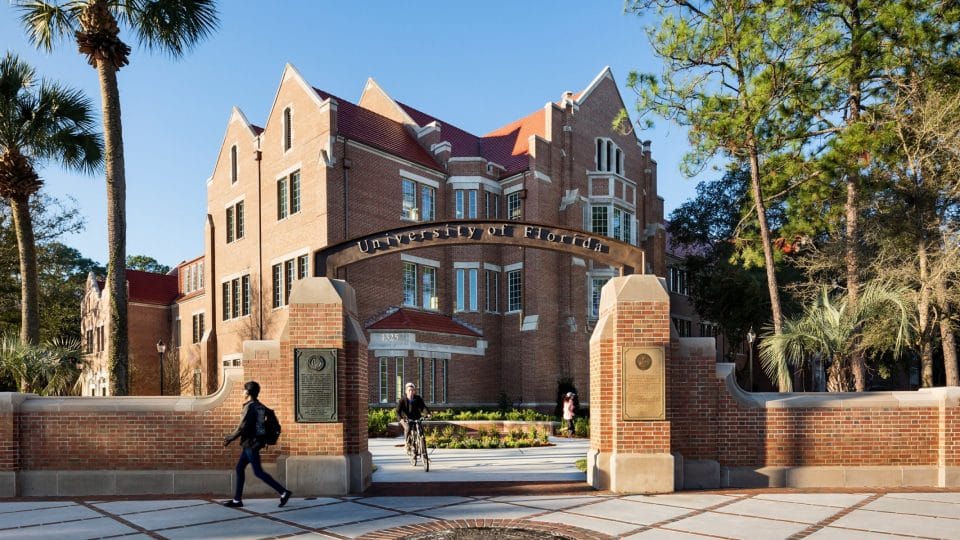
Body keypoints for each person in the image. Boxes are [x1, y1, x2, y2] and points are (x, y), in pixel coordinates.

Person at [222, 380, 292, 508]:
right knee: (239, 468)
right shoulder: (260, 406)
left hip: (250, 443)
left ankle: (283, 492)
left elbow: (242, 427)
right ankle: (237, 500)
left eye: (244, 390)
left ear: (248, 392)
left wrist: (230, 438)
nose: (242, 392)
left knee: (258, 472)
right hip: (255, 442)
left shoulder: (250, 407)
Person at [395, 382, 429, 453]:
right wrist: (400, 419)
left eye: (412, 390)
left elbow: (423, 407)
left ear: (414, 391)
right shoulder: (402, 400)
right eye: (409, 390)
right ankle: (407, 444)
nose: (411, 392)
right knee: (408, 427)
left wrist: (427, 413)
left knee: (421, 431)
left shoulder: (418, 398)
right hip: (405, 418)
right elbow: (398, 411)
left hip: (416, 417)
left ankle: (423, 448)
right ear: (406, 391)